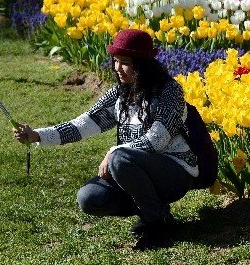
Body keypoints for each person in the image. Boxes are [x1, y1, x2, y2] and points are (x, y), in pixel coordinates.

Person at [13, 29, 197, 250]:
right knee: (89, 197)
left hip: (174, 171)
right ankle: (151, 211)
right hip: (135, 169)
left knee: (120, 159)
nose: (117, 68)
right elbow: (82, 125)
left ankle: (159, 224)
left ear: (143, 64)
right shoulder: (120, 94)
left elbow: (156, 140)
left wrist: (115, 151)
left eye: (125, 63)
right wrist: (38, 135)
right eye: (116, 61)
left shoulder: (170, 92)